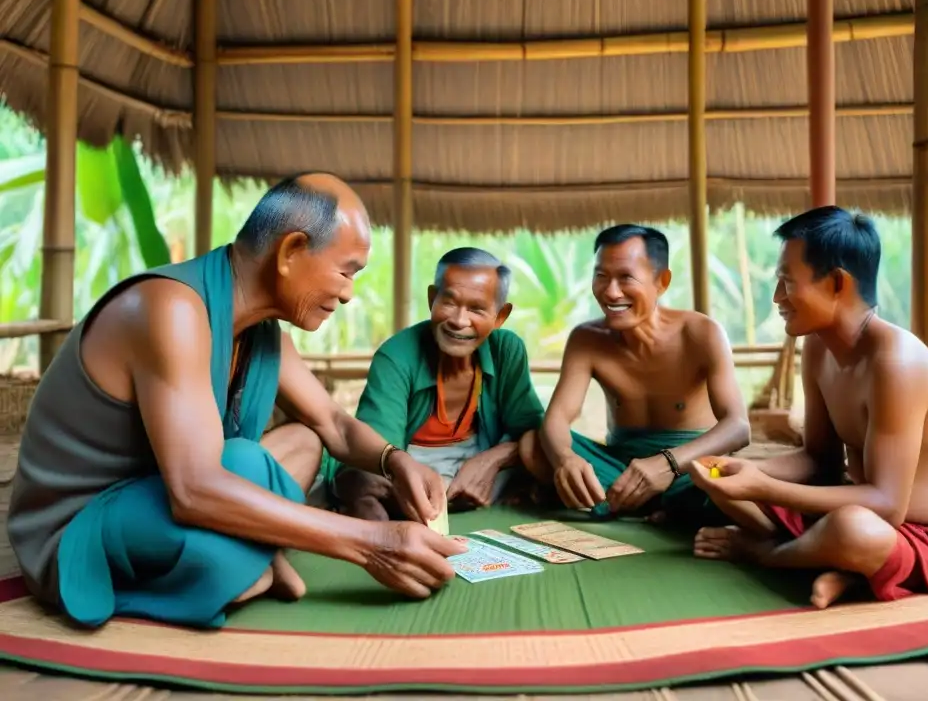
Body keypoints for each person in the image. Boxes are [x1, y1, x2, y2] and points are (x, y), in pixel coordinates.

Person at [6, 172, 466, 630]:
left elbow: (333, 424)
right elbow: (193, 491)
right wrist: (370, 542)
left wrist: (394, 460)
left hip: (160, 500)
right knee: (242, 463)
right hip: (80, 532)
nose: (348, 294)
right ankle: (247, 565)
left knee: (304, 442)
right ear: (290, 251)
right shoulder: (172, 310)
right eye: (346, 271)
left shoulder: (264, 335)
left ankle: (248, 566)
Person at [689, 206, 928, 609]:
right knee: (713, 473)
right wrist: (737, 470)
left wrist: (764, 486)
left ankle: (772, 554)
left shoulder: (896, 362)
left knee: (852, 530)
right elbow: (819, 460)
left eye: (787, 283)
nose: (778, 298)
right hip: (852, 501)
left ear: (837, 283)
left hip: (922, 536)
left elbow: (888, 506)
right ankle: (838, 566)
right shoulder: (817, 348)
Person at [521, 224, 750, 520]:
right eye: (601, 276)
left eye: (625, 277)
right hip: (620, 466)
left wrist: (666, 464)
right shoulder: (586, 339)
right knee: (533, 445)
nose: (611, 292)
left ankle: (646, 505)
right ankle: (653, 506)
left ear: (661, 281)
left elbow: (738, 427)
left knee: (724, 479)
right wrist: (566, 459)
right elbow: (557, 419)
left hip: (690, 466)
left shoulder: (700, 333)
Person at [326, 247, 545, 519]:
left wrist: (490, 460)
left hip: (478, 466)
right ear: (432, 299)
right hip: (409, 465)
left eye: (477, 309)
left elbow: (533, 429)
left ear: (500, 316)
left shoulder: (507, 350)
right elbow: (380, 451)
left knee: (553, 450)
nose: (459, 321)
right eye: (449, 302)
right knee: (361, 481)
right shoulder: (397, 355)